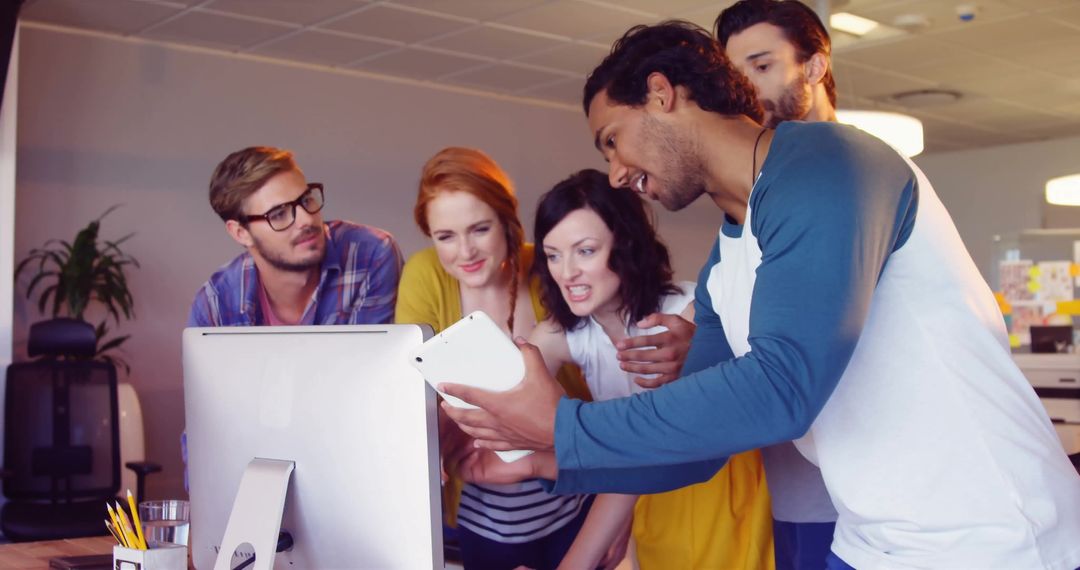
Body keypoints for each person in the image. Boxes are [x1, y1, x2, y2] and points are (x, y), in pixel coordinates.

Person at [441, 22, 1080, 570]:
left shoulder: (831, 162)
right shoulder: (731, 254)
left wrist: (564, 424)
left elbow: (783, 387)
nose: (616, 172)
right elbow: (698, 447)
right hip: (875, 539)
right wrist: (547, 462)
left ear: (661, 95)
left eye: (613, 138)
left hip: (994, 537)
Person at [461, 169, 773, 569]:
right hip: (649, 505)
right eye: (554, 255)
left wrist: (571, 560)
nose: (566, 272)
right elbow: (500, 394)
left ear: (625, 245)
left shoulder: (687, 313)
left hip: (717, 498)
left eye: (585, 251)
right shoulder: (568, 332)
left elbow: (643, 453)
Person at [397, 147, 673, 569]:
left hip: (578, 491)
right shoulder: (426, 275)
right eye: (445, 236)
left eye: (480, 229)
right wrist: (430, 441)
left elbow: (613, 422)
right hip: (490, 512)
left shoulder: (554, 278)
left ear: (507, 220)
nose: (465, 251)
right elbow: (420, 394)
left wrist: (537, 463)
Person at [712, 2, 848, 567]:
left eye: (762, 66)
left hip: (905, 499)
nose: (747, 89)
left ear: (815, 68)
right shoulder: (748, 209)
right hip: (803, 491)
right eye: (735, 75)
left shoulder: (865, 177)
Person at [188, 146, 402, 327]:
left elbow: (369, 367)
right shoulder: (215, 304)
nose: (306, 220)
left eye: (306, 200)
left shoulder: (371, 254)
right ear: (241, 233)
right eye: (279, 214)